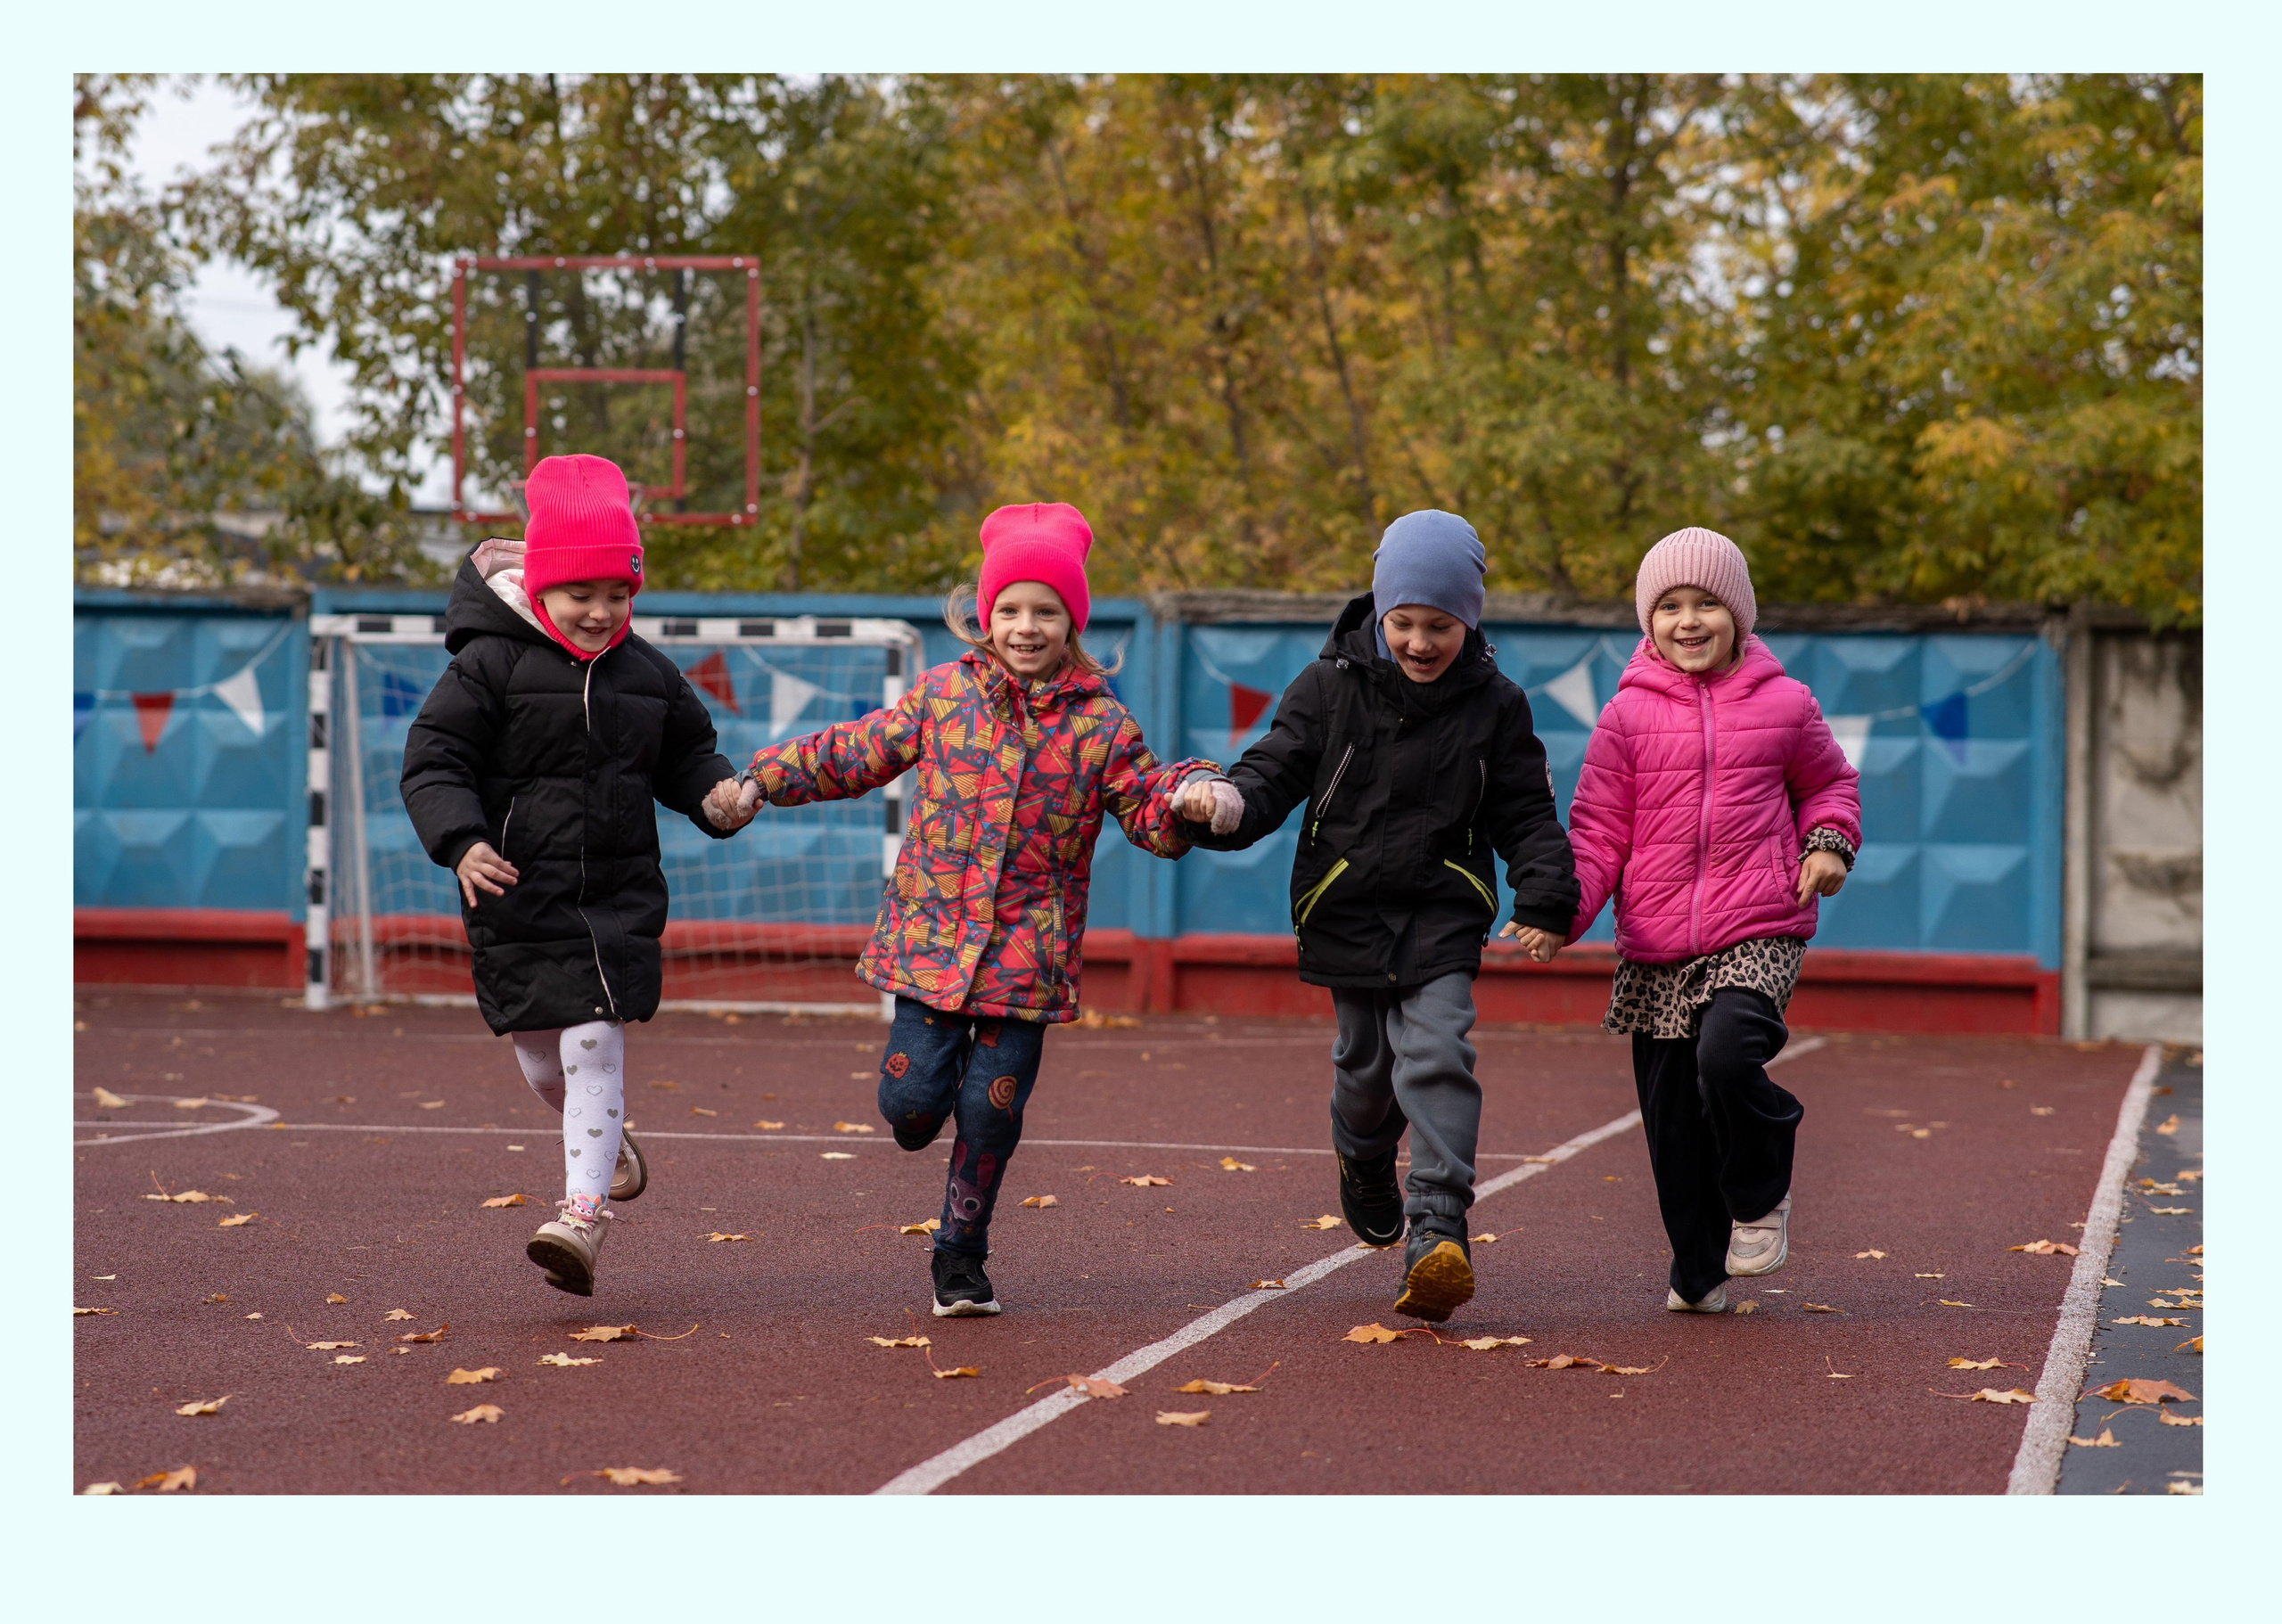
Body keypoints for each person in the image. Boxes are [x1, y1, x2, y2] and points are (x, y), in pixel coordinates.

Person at [719, 502, 1227, 1317]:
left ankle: (961, 1255)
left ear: (1073, 621)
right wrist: (762, 779)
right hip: (929, 943)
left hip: (1027, 958)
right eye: (1011, 609)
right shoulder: (944, 696)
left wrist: (1191, 802)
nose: (1027, 627)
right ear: (985, 615)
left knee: (992, 1112)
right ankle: (921, 1109)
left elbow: (1148, 807)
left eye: (1046, 611)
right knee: (910, 1105)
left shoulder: (1103, 726)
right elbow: (855, 750)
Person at [1174, 510, 1580, 1323]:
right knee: (1366, 1074)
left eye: (1442, 625)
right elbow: (1273, 769)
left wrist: (1545, 894)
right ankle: (1363, 1157)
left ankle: (1438, 1226)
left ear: (1471, 619)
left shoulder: (1497, 705)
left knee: (1435, 1052)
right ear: (1379, 611)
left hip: (1441, 910)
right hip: (1345, 906)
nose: (1421, 642)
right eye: (1404, 622)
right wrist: (1221, 805)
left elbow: (1526, 813)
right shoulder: (1328, 686)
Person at [400, 454, 753, 1296]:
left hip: (618, 900)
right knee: (541, 1065)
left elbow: (688, 757)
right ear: (544, 584)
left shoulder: (650, 675)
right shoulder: (487, 666)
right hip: (519, 894)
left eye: (619, 595)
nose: (602, 612)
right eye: (581, 593)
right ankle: (609, 1142)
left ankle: (581, 1219)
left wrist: (716, 798)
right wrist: (461, 842)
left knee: (594, 1042)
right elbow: (432, 760)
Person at [1561, 526, 1860, 1314]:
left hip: (1760, 923)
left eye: (1706, 604)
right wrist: (1562, 912)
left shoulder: (1786, 704)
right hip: (1656, 942)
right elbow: (1596, 831)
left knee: (1727, 1058)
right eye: (1668, 606)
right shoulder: (1624, 717)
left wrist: (1829, 844)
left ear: (1740, 615)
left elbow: (1831, 787)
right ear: (1647, 620)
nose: (1687, 621)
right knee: (1672, 1127)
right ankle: (1698, 1269)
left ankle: (1759, 1192)